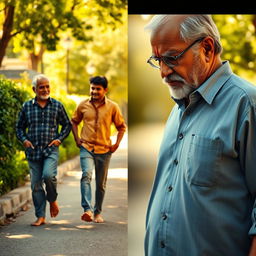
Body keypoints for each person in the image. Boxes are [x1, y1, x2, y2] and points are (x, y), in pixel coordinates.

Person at [144, 15, 256, 256]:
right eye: (157, 60)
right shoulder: (178, 107)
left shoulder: (246, 104)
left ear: (206, 48)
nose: (163, 72)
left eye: (171, 58)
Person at [16, 74, 71, 226]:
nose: (45, 89)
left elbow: (67, 124)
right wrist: (24, 140)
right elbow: (19, 127)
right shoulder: (27, 106)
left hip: (50, 150)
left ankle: (52, 199)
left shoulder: (57, 105)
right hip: (33, 151)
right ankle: (40, 216)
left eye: (47, 86)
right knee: (36, 185)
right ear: (34, 89)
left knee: (48, 176)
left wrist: (59, 139)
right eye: (42, 87)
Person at [71, 76, 126, 223]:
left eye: (97, 89)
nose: (94, 91)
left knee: (101, 184)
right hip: (86, 148)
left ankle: (97, 213)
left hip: (104, 150)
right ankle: (87, 210)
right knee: (86, 175)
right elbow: (74, 121)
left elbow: (121, 127)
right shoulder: (82, 105)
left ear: (105, 90)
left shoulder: (113, 107)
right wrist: (77, 139)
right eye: (92, 88)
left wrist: (117, 144)